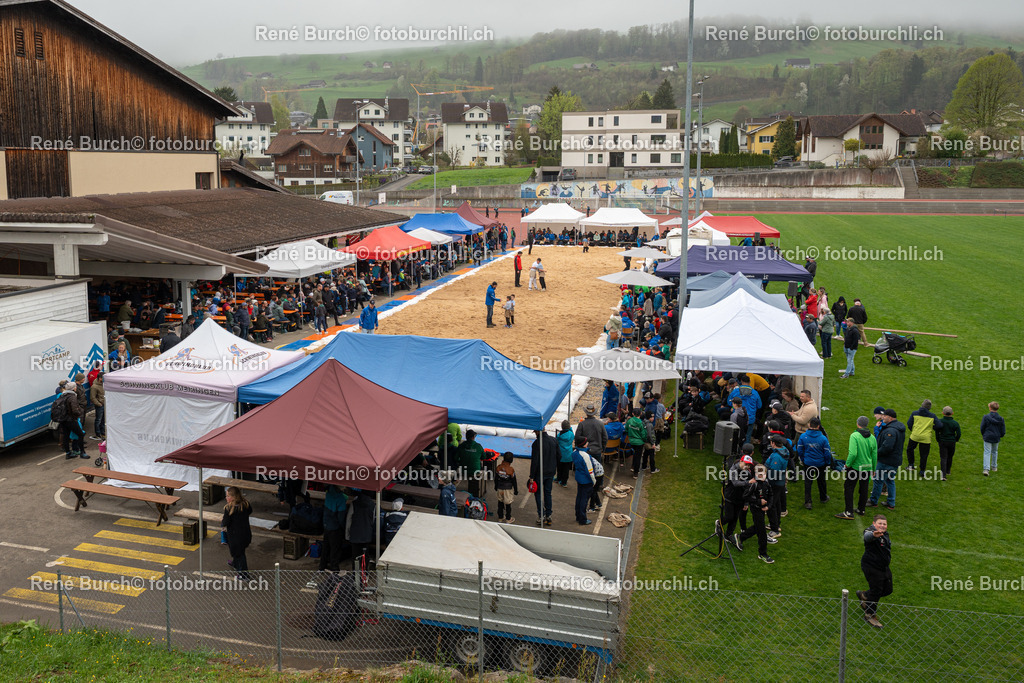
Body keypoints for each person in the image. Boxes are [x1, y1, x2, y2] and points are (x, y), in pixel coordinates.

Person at [836, 417, 877, 520]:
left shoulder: (854, 436)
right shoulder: (872, 437)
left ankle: (849, 512)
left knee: (849, 488)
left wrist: (847, 465)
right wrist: (874, 468)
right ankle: (861, 509)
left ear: (857, 423)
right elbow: (875, 455)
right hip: (867, 468)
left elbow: (853, 453)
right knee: (864, 489)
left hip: (855, 468)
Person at [858, 515, 892, 629]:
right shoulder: (870, 531)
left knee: (888, 589)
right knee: (877, 590)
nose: (882, 526)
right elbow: (867, 537)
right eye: (880, 523)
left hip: (883, 567)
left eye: (884, 524)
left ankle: (865, 595)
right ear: (874, 523)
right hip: (871, 566)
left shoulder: (885, 534)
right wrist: (874, 534)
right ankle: (870, 615)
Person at [737, 464, 777, 564]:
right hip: (756, 509)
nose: (762, 476)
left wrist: (768, 506)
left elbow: (771, 495)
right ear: (755, 474)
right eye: (759, 474)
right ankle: (763, 554)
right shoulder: (753, 484)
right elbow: (745, 496)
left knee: (758, 527)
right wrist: (759, 502)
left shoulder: (767, 483)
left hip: (763, 509)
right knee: (762, 531)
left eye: (763, 474)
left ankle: (741, 537)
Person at [868, 409, 905, 510]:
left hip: (886, 460)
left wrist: (876, 454)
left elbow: (887, 447)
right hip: (895, 460)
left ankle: (873, 501)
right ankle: (891, 503)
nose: (883, 417)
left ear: (891, 417)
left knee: (878, 480)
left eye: (885, 416)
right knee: (889, 480)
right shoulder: (898, 427)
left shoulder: (891, 431)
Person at [797, 417, 832, 509]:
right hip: (820, 464)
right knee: (821, 481)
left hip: (808, 463)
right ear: (818, 426)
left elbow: (799, 450)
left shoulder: (803, 436)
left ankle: (808, 502)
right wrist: (827, 463)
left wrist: (803, 460)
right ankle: (823, 497)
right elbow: (827, 453)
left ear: (809, 425)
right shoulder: (823, 438)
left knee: (808, 482)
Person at [722, 454, 753, 549]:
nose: (747, 467)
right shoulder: (733, 470)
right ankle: (719, 524)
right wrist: (748, 482)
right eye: (746, 464)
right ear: (740, 462)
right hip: (730, 497)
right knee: (729, 516)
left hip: (740, 499)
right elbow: (735, 483)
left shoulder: (748, 473)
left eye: (749, 465)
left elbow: (748, 489)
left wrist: (746, 502)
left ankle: (729, 534)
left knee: (735, 518)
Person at [221, 487, 252, 579]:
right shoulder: (245, 504)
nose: (226, 498)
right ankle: (235, 563)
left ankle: (244, 574)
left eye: (228, 496)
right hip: (245, 534)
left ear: (233, 497)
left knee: (239, 554)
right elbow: (250, 511)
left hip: (235, 537)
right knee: (239, 552)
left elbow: (225, 522)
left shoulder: (229, 509)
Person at [528, 429, 557, 526]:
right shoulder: (553, 440)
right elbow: (559, 456)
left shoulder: (537, 443)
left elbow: (535, 461)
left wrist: (531, 476)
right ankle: (549, 515)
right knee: (548, 493)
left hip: (540, 473)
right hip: (551, 472)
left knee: (538, 494)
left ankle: (541, 516)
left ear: (537, 432)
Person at [764, 435, 790, 535]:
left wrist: (766, 483)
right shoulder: (783, 450)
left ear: (773, 443)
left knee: (771, 505)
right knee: (777, 503)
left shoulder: (776, 457)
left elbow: (773, 474)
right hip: (780, 482)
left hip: (774, 483)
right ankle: (776, 524)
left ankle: (775, 529)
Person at [55, 382, 87, 459]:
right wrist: (79, 414)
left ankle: (68, 453)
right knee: (80, 434)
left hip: (63, 419)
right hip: (71, 419)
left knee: (66, 436)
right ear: (73, 388)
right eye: (75, 387)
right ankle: (82, 452)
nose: (76, 387)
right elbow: (75, 410)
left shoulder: (62, 395)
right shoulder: (72, 396)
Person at [319, 484, 348, 572]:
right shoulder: (341, 499)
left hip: (326, 523)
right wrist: (343, 527)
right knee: (335, 548)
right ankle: (335, 567)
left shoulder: (328, 493)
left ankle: (322, 566)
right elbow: (341, 517)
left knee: (326, 546)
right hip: (335, 527)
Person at [905, 400, 937, 476]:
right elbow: (939, 425)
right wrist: (931, 427)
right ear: (929, 408)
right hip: (926, 438)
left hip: (915, 435)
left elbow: (909, 424)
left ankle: (911, 465)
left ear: (922, 405)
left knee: (910, 449)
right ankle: (922, 471)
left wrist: (914, 430)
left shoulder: (914, 413)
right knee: (924, 454)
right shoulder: (932, 416)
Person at [571, 436, 597, 526]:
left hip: (579, 478)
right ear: (584, 444)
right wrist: (594, 481)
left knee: (579, 497)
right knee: (584, 500)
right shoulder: (585, 456)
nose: (588, 443)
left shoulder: (574, 452)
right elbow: (590, 471)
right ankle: (582, 519)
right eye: (586, 442)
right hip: (586, 480)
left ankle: (578, 516)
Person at [347, 490, 377, 565]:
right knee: (365, 555)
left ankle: (354, 575)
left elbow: (349, 519)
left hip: (355, 534)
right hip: (366, 534)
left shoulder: (354, 503)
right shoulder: (373, 505)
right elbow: (373, 520)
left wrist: (347, 534)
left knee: (355, 556)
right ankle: (365, 574)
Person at [456, 429, 485, 499]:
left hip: (463, 470)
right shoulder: (478, 446)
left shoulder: (461, 446)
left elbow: (456, 458)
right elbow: (484, 457)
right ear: (473, 437)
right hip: (475, 471)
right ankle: (474, 495)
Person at [935, 406, 961, 480]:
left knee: (943, 457)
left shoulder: (940, 421)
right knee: (950, 456)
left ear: (943, 413)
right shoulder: (955, 423)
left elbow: (937, 431)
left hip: (943, 441)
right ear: (952, 413)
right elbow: (958, 433)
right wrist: (956, 439)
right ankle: (948, 471)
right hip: (952, 442)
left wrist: (938, 439)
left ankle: (943, 475)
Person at [981, 401, 1005, 476]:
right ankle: (994, 467)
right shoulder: (1001, 419)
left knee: (987, 452)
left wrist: (984, 434)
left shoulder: (986, 417)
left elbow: (982, 427)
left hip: (988, 436)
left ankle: (986, 469)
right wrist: (1000, 435)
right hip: (996, 437)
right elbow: (1003, 429)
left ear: (990, 408)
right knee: (995, 451)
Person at [494, 453, 518, 523]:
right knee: (508, 504)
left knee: (500, 502)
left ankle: (500, 517)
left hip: (499, 488)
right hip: (508, 489)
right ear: (511, 460)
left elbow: (496, 478)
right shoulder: (511, 470)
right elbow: (514, 481)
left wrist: (496, 486)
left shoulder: (498, 468)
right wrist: (516, 490)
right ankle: (508, 518)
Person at [625, 406, 648, 478]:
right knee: (638, 457)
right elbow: (644, 434)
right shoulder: (641, 423)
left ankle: (632, 466)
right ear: (641, 414)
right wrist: (644, 440)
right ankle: (635, 473)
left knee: (634, 453)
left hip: (631, 441)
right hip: (639, 442)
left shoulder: (629, 421)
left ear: (632, 413)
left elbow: (626, 429)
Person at [556, 420, 574, 487]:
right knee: (566, 470)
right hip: (569, 455)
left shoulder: (559, 435)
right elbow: (572, 434)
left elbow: (556, 442)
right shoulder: (571, 434)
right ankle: (564, 482)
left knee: (559, 468)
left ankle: (558, 478)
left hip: (561, 454)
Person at [89, 373, 105, 440]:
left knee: (103, 420)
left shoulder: (104, 384)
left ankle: (103, 433)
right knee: (98, 420)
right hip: (100, 406)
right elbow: (92, 397)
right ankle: (98, 434)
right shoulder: (94, 387)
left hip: (104, 405)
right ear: (100, 378)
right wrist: (99, 404)